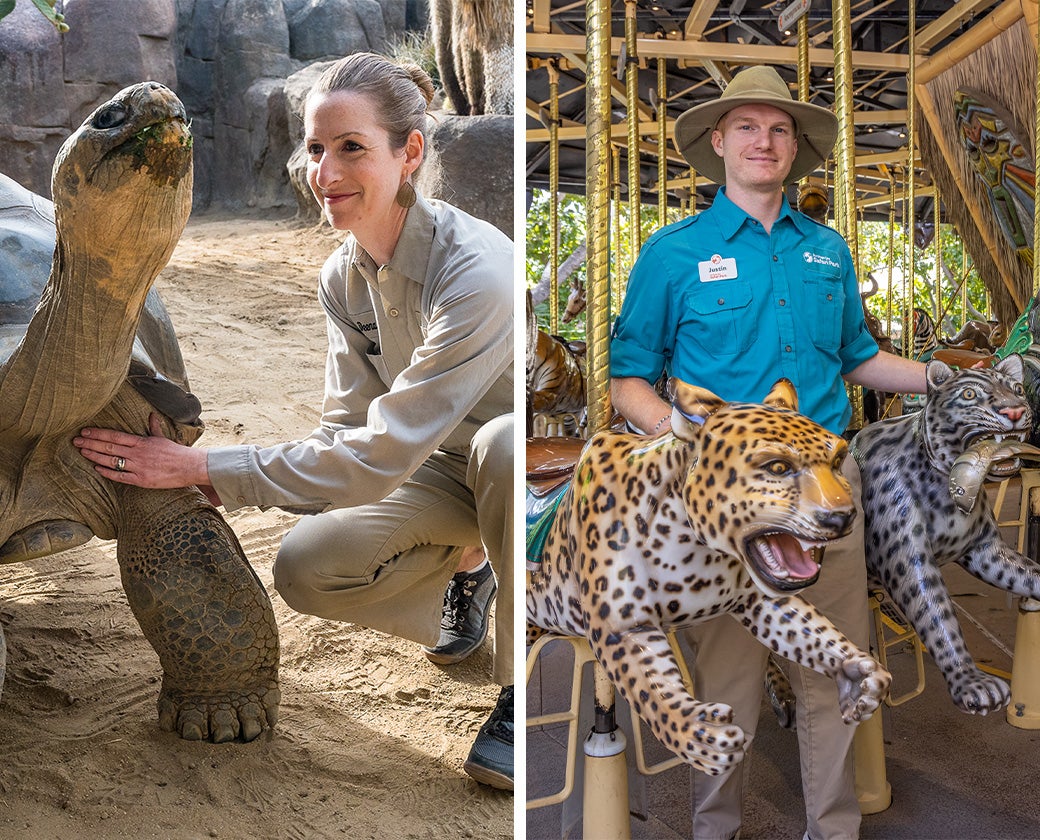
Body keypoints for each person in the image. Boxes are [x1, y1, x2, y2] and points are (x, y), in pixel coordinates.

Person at [73, 52, 514, 791]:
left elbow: (375, 455)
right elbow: (345, 432)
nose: (325, 171)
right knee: (306, 568)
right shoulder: (341, 275)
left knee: (503, 443)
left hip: (519, 472)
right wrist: (224, 477)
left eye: (351, 148)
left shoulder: (478, 270)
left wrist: (205, 469)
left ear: (408, 154)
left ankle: (522, 687)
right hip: (433, 472)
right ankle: (468, 572)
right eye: (315, 148)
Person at [609, 65, 927, 839]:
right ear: (718, 142)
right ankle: (715, 826)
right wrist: (688, 445)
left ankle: (835, 828)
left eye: (779, 128)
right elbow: (628, 383)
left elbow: (859, 358)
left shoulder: (826, 251)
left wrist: (950, 378)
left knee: (834, 665)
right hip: (731, 496)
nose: (765, 140)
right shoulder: (673, 253)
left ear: (796, 148)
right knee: (729, 674)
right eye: (748, 126)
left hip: (823, 480)